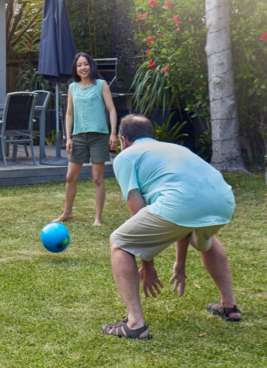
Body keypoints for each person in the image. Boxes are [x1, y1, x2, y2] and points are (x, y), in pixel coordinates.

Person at [101, 114, 241, 339]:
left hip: (183, 204)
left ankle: (135, 324)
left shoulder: (125, 157)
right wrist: (179, 264)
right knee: (205, 240)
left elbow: (137, 210)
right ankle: (229, 306)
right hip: (223, 201)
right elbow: (183, 224)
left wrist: (147, 263)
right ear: (150, 135)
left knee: (120, 243)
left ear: (123, 140)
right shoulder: (174, 149)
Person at [53, 52, 118, 226]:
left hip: (98, 136)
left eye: (86, 64)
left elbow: (111, 110)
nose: (83, 68)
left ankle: (98, 217)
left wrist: (113, 133)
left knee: (97, 178)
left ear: (91, 66)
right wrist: (68, 137)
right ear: (76, 69)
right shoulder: (73, 88)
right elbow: (69, 113)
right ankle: (67, 212)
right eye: (79, 65)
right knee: (70, 177)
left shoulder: (101, 85)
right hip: (78, 137)